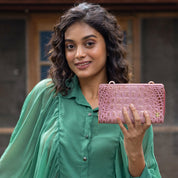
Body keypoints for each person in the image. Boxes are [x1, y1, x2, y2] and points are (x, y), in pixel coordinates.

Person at [0, 2, 161, 178]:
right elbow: (14, 164)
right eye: (70, 46)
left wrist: (134, 151)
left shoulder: (132, 107)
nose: (78, 54)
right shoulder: (46, 95)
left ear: (108, 46)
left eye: (89, 43)